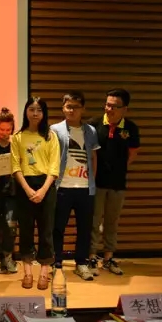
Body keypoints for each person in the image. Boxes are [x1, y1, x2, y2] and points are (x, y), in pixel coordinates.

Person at [88, 88, 140, 276]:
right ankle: (91, 256)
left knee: (112, 222)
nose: (109, 109)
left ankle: (108, 257)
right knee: (93, 221)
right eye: (107, 105)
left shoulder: (131, 128)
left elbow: (133, 152)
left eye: (114, 106)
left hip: (118, 183)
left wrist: (119, 168)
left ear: (125, 109)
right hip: (96, 182)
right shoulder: (93, 125)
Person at [50, 91, 100, 281]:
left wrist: (91, 180)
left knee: (85, 228)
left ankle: (81, 263)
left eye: (76, 107)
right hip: (62, 186)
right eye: (68, 106)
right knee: (58, 227)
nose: (72, 110)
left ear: (83, 109)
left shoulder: (90, 131)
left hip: (85, 188)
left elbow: (93, 157)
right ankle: (57, 263)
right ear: (63, 108)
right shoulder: (54, 129)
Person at [11, 97, 59, 290]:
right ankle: (28, 272)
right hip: (25, 186)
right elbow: (15, 166)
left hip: (46, 186)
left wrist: (43, 190)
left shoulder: (50, 136)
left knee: (46, 231)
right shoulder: (18, 137)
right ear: (26, 112)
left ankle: (44, 272)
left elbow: (54, 167)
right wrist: (28, 190)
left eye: (39, 110)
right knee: (26, 230)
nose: (35, 113)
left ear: (44, 113)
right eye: (31, 109)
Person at [0, 108, 18, 274]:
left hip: (11, 192)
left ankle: (8, 256)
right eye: (1, 129)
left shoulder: (15, 144)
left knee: (10, 225)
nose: (5, 133)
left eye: (8, 129)